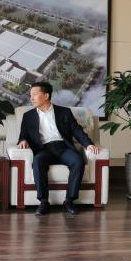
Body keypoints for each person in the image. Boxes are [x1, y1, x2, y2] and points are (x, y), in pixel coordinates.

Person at [17, 82, 99, 217]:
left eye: (35, 95)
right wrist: (23, 140)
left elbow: (76, 130)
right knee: (37, 161)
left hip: (63, 147)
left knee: (78, 161)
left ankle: (69, 201)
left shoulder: (64, 112)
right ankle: (43, 201)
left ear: (46, 96)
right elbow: (23, 135)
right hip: (44, 149)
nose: (31, 98)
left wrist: (88, 144)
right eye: (30, 95)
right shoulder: (28, 116)